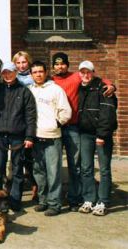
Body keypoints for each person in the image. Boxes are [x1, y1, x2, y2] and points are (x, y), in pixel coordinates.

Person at [51, 52, 115, 212]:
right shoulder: (49, 81)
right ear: (53, 67)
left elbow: (99, 80)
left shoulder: (77, 78)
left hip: (74, 127)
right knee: (61, 166)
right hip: (57, 128)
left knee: (78, 166)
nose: (60, 66)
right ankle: (68, 199)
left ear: (67, 65)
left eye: (63, 63)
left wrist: (111, 85)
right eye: (57, 64)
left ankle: (80, 199)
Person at [0, 62, 36, 212]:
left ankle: (14, 201)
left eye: (10, 72)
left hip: (18, 136)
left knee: (17, 169)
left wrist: (29, 137)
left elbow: (30, 116)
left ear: (15, 73)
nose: (8, 75)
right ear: (1, 74)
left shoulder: (24, 92)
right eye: (5, 73)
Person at [29, 60, 72, 216]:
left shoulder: (56, 90)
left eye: (40, 71)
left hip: (52, 137)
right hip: (36, 138)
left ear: (45, 72)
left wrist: (56, 123)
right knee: (38, 171)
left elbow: (66, 112)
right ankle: (43, 200)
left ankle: (55, 204)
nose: (38, 75)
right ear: (31, 75)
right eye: (34, 72)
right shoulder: (29, 90)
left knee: (53, 172)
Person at [77, 61, 117, 216]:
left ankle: (103, 201)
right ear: (79, 73)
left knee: (104, 169)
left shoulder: (103, 88)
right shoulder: (80, 87)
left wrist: (102, 134)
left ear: (93, 72)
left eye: (88, 72)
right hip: (85, 133)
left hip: (101, 135)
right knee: (86, 167)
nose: (85, 75)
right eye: (82, 72)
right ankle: (89, 199)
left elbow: (108, 112)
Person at [12, 51, 37, 200]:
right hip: (17, 122)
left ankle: (36, 184)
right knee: (19, 158)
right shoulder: (12, 78)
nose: (21, 66)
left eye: (24, 62)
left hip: (32, 119)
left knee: (32, 157)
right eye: (18, 63)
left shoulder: (33, 77)